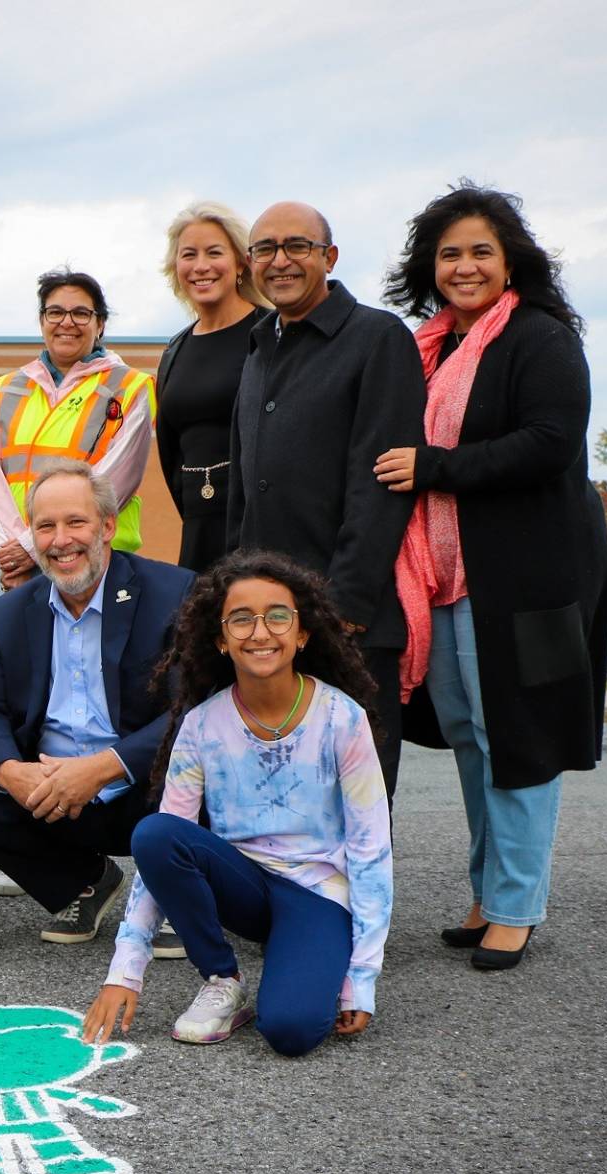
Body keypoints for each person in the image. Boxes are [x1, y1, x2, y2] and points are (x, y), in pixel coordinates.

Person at [375, 183, 607, 970]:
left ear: (510, 259)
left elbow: (548, 441)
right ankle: (488, 894)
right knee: (475, 740)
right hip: (441, 577)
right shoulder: (430, 346)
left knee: (521, 740)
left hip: (523, 581)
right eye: (450, 253)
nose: (465, 265)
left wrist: (432, 466)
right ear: (429, 265)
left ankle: (517, 905)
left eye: (481, 250)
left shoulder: (540, 338)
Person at [81, 551, 392, 1056]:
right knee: (155, 834)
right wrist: (125, 972)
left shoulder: (342, 719)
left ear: (302, 633)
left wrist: (361, 976)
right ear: (221, 639)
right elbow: (161, 852)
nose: (260, 632)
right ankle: (222, 977)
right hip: (241, 884)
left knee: (291, 1032)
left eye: (277, 616)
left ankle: (300, 960)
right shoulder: (202, 724)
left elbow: (371, 848)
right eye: (241, 619)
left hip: (316, 892)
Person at [0, 462, 195, 947]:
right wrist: (12, 771)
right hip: (49, 791)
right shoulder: (12, 610)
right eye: (45, 526)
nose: (60, 540)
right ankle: (84, 883)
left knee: (196, 773)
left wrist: (103, 768)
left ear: (108, 526)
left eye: (76, 522)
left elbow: (191, 710)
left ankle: (178, 897)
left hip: (141, 786)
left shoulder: (171, 592)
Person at [225, 202, 425, 799]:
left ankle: (360, 899)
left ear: (329, 257)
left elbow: (381, 482)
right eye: (265, 249)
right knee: (279, 790)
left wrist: (346, 604)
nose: (279, 260)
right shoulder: (259, 348)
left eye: (297, 246)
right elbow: (244, 489)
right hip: (269, 618)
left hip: (346, 618)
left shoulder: (377, 338)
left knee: (352, 792)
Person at [0, 269, 156, 601]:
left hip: (90, 555)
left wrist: (33, 545)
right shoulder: (8, 387)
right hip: (10, 563)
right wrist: (13, 549)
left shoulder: (130, 387)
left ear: (100, 324)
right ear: (42, 320)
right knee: (15, 653)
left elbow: (119, 476)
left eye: (81, 313)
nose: (67, 322)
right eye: (55, 312)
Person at [153, 203, 271, 572]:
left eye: (214, 252)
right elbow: (171, 451)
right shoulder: (175, 350)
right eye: (189, 255)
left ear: (240, 262)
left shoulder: (273, 333)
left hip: (261, 527)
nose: (200, 265)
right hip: (198, 529)